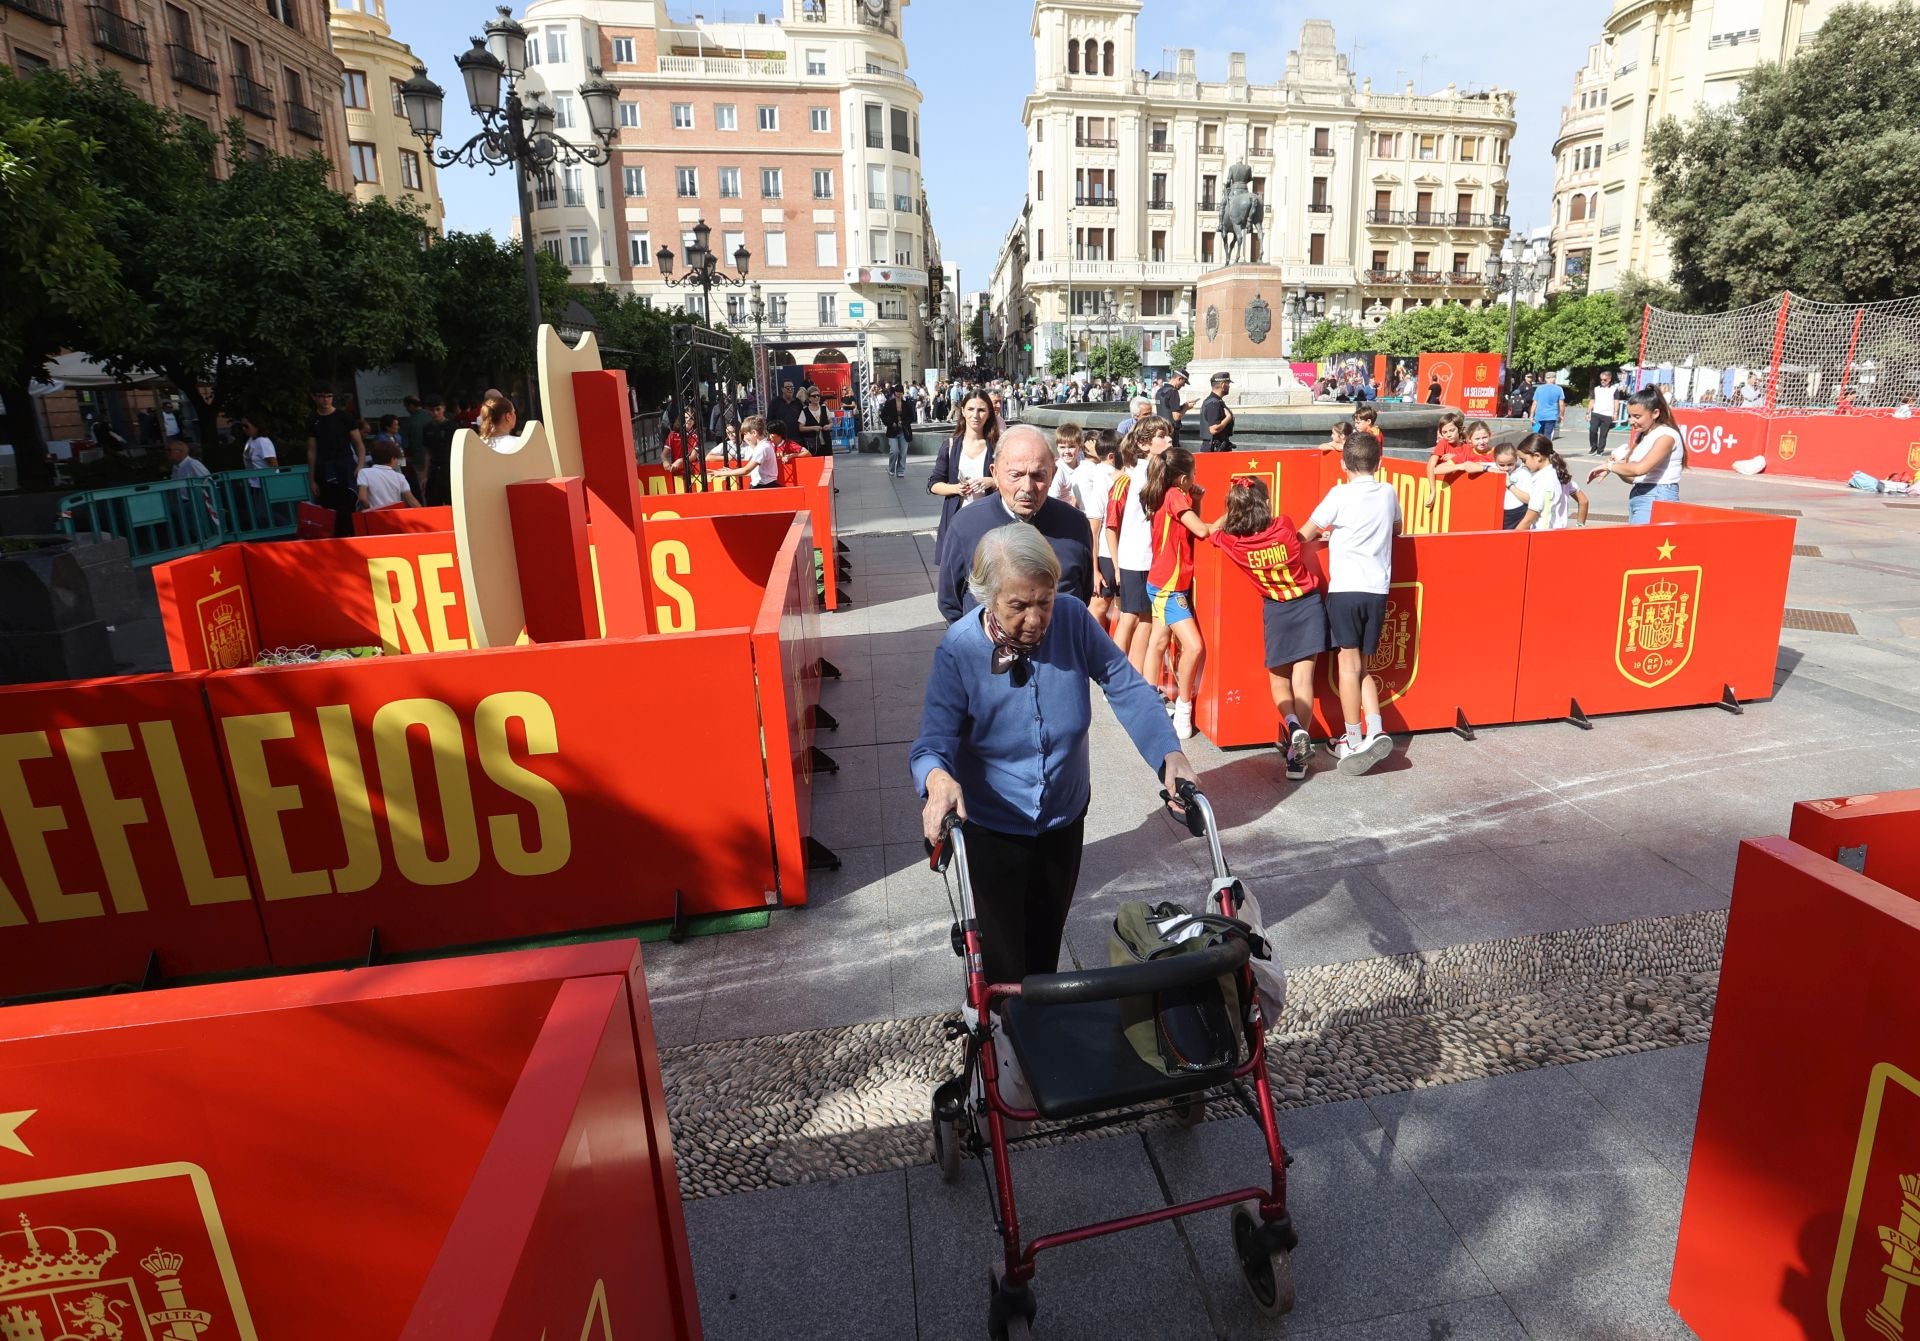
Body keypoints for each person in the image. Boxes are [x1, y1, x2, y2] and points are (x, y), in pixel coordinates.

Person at [911, 524, 1199, 989]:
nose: (1035, 618)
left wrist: (1170, 755)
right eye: (1018, 606)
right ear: (987, 598)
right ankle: (1003, 1041)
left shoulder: (1072, 618)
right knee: (1003, 960)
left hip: (1063, 817)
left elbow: (1124, 685)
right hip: (992, 823)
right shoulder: (959, 650)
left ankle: (1037, 1035)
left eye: (1043, 600)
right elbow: (932, 742)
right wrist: (938, 779)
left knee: (1045, 943)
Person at [1210, 475, 1326, 781]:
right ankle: (1298, 758)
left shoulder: (1236, 545)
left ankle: (1293, 727)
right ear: (1265, 503)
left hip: (1277, 611)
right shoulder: (1284, 526)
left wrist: (1232, 512)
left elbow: (1212, 531)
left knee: (1278, 681)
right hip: (1309, 605)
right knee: (1304, 680)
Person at [1298, 432, 1400, 775]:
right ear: (1379, 462)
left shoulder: (1339, 494)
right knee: (1366, 667)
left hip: (1345, 589)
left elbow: (1305, 533)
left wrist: (1333, 535)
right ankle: (1376, 728)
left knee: (1347, 665)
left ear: (1343, 463)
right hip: (1377, 588)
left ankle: (1352, 738)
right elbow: (1397, 528)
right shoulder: (1388, 492)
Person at [936, 425, 1093, 622]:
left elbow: (1083, 593)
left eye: (1038, 476)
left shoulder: (1074, 524)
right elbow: (950, 601)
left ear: (1052, 474)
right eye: (1015, 475)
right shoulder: (966, 525)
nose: (1027, 487)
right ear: (994, 473)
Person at [1141, 447, 1209, 741]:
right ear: (1183, 478)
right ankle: (1183, 707)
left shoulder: (1168, 495)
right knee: (1193, 646)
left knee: (1158, 642)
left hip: (1160, 581)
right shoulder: (1174, 496)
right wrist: (1228, 517)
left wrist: (1198, 501)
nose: (1196, 477)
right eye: (1193, 473)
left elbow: (1191, 527)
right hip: (1169, 586)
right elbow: (1202, 531)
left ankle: (1145, 704)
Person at [1105, 417, 1174, 672]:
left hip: (1150, 557)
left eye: (1168, 435)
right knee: (1130, 617)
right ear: (1144, 443)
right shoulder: (1134, 477)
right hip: (1135, 558)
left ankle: (1136, 675)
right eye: (1161, 436)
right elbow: (1111, 525)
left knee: (1145, 618)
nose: (1168, 439)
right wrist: (1116, 565)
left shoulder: (1156, 472)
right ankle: (1111, 673)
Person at [1587, 386, 1684, 524]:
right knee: (1639, 542)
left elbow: (1640, 469)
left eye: (1637, 416)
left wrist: (1610, 466)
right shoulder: (1643, 436)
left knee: (1644, 543)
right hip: (1641, 494)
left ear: (1655, 413)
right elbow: (1633, 478)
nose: (1632, 421)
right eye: (1630, 416)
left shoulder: (1667, 436)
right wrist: (1616, 467)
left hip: (1658, 495)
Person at [928, 390, 998, 562]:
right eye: (971, 409)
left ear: (989, 413)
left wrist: (991, 481)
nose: (976, 415)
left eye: (981, 410)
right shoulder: (950, 445)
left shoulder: (997, 445)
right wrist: (956, 488)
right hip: (957, 519)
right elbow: (934, 484)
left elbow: (1010, 479)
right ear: (963, 411)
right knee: (957, 572)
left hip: (989, 520)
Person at [1069, 430, 1118, 628]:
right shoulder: (1102, 476)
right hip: (1104, 552)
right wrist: (1095, 568)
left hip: (1107, 551)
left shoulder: (1098, 472)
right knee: (1098, 605)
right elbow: (1094, 527)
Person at [306, 386, 366, 538]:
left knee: (348, 507)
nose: (325, 399)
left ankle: (352, 538)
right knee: (328, 509)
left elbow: (359, 444)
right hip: (324, 469)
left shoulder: (344, 417)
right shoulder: (312, 419)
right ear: (314, 397)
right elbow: (311, 450)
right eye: (321, 396)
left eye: (329, 396)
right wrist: (312, 479)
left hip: (345, 467)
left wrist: (360, 466)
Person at [710, 414, 782, 489]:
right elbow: (754, 472)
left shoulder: (763, 448)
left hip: (763, 487)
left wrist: (722, 473)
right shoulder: (763, 446)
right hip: (762, 485)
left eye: (745, 434)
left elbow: (746, 470)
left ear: (754, 433)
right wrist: (732, 471)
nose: (744, 438)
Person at [357, 440, 419, 509]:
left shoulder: (364, 472)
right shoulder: (399, 477)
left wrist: (369, 509)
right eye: (397, 459)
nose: (398, 462)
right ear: (392, 459)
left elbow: (362, 498)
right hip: (393, 515)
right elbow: (411, 501)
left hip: (373, 515)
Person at [418, 396, 457, 507]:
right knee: (433, 500)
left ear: (443, 408)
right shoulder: (427, 429)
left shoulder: (453, 427)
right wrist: (425, 474)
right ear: (427, 411)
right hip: (434, 469)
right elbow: (427, 452)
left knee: (453, 501)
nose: (435, 413)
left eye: (438, 409)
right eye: (431, 410)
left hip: (450, 468)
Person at [881, 386, 914, 478]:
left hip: (904, 431)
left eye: (900, 391)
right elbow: (883, 416)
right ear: (894, 392)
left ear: (903, 392)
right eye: (897, 391)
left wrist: (903, 423)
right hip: (892, 431)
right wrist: (891, 423)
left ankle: (900, 470)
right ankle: (891, 468)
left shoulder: (907, 404)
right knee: (894, 451)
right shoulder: (889, 403)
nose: (898, 393)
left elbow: (912, 417)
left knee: (903, 452)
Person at [1494, 442, 1528, 530]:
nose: (1506, 468)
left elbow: (1528, 499)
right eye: (1501, 465)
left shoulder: (1523, 473)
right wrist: (1488, 469)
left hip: (1518, 513)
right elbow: (1471, 466)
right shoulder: (1492, 469)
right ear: (1495, 461)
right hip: (1498, 513)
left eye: (1510, 464)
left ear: (1516, 459)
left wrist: (1509, 485)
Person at [1199, 372, 1235, 452]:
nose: (1229, 386)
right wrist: (1228, 418)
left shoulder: (1216, 401)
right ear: (1223, 385)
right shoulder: (1214, 403)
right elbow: (1214, 429)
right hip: (1214, 450)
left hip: (1216, 447)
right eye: (1228, 383)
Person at [1154, 370, 1191, 446]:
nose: (1183, 385)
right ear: (1179, 378)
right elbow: (1176, 416)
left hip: (1160, 428)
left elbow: (1166, 408)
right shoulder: (1173, 392)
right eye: (1184, 382)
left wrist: (1183, 406)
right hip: (1171, 431)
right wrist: (1186, 408)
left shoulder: (1160, 391)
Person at [1588, 371, 1621, 456]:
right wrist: (1588, 412)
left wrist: (1615, 413)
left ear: (1609, 379)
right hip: (1596, 413)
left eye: (1605, 380)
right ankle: (1593, 447)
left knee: (1603, 434)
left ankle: (1600, 450)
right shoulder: (1596, 389)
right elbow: (1592, 401)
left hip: (1607, 414)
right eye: (1601, 379)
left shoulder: (1614, 389)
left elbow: (1616, 402)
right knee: (1592, 430)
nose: (1602, 381)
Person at [797, 387, 833, 457]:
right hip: (812, 445)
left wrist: (828, 426)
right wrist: (813, 428)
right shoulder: (805, 411)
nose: (817, 397)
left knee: (828, 466)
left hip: (826, 443)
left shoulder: (824, 408)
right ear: (809, 398)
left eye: (818, 395)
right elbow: (800, 428)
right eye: (814, 396)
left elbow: (831, 422)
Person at [663, 408, 702, 474]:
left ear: (694, 421)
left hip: (692, 472)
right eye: (686, 417)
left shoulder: (696, 436)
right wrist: (665, 461)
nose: (689, 420)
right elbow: (663, 454)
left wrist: (680, 461)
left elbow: (693, 457)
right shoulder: (672, 435)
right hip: (676, 471)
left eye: (691, 418)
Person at [1531, 375, 1567, 439]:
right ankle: (1546, 448)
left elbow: (1534, 403)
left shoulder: (1539, 388)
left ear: (1545, 379)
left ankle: (1537, 448)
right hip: (1551, 417)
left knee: (1536, 435)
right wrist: (1561, 415)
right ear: (1554, 379)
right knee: (1547, 435)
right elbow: (1561, 404)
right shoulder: (1559, 389)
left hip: (1538, 416)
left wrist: (1531, 415)